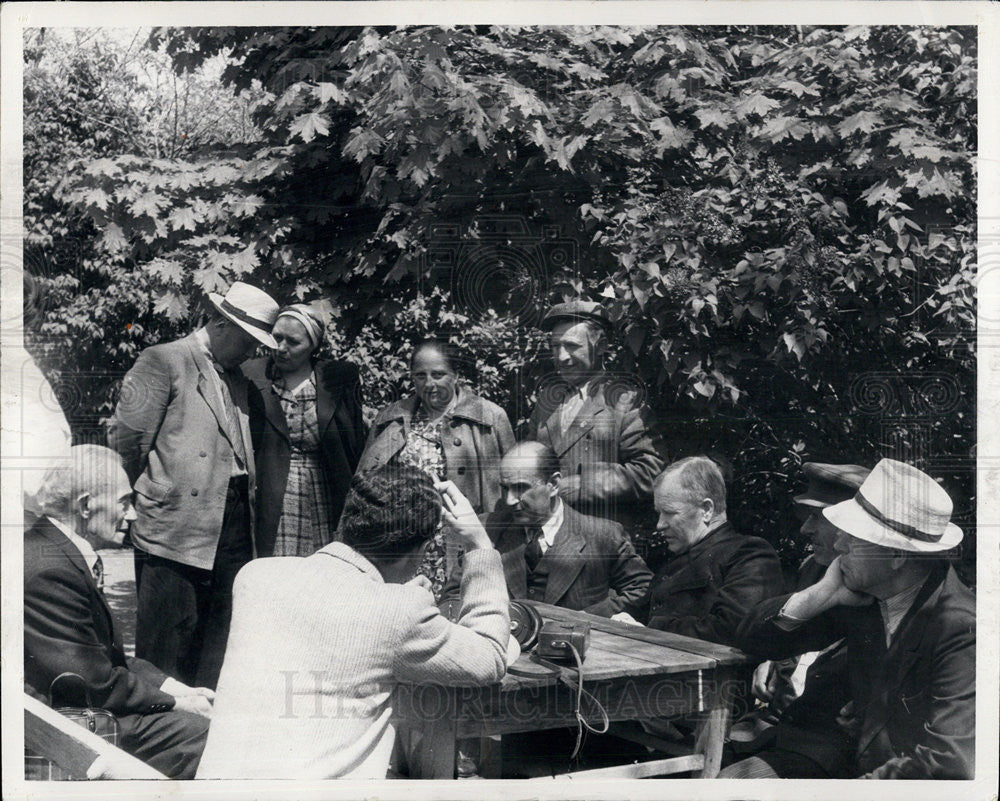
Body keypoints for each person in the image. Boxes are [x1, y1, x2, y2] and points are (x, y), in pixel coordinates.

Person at [195, 464, 510, 779]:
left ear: (347, 520)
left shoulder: (256, 576)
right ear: (419, 551)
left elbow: (336, 612)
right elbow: (492, 655)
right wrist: (480, 546)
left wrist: (392, 600)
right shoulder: (400, 612)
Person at [727, 458, 974, 779]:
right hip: (848, 761)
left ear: (898, 555)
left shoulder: (960, 627)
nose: (839, 544)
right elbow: (752, 641)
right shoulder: (864, 593)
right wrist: (820, 595)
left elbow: (950, 763)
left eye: (854, 538)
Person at [108, 281, 279, 690]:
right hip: (174, 528)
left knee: (217, 648)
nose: (253, 352)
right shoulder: (162, 360)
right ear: (220, 325)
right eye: (248, 340)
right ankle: (155, 745)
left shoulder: (239, 378)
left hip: (234, 525)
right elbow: (126, 442)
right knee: (167, 652)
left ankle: (202, 742)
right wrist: (152, 496)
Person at [24, 445, 211, 779]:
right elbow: (94, 682)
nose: (133, 515)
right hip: (71, 730)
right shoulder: (48, 569)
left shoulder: (58, 552)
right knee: (213, 739)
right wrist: (180, 704)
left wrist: (183, 691)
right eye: (124, 502)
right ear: (85, 506)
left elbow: (112, 661)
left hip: (87, 712)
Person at [357, 337, 515, 597]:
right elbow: (364, 485)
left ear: (456, 375)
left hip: (458, 538)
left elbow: (513, 486)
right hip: (405, 539)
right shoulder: (392, 418)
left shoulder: (490, 417)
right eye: (420, 375)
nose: (429, 384)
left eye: (438, 374)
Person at [730, 461, 870, 752]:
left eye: (819, 517)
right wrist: (773, 656)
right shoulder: (816, 570)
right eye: (806, 516)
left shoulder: (878, 587)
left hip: (822, 745)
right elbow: (753, 633)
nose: (805, 529)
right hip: (771, 725)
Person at [445, 441, 652, 615]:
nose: (509, 500)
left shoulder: (603, 536)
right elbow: (452, 598)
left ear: (553, 484)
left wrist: (588, 620)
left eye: (520, 488)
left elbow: (644, 590)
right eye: (505, 489)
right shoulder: (486, 529)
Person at [614, 456, 783, 647]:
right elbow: (640, 611)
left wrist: (649, 631)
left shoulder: (749, 555)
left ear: (707, 509)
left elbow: (732, 629)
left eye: (669, 512)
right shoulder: (679, 558)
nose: (659, 525)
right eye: (659, 513)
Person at [243, 303, 366, 557]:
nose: (280, 347)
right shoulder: (252, 374)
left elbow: (354, 444)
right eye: (276, 337)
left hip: (325, 491)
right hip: (271, 492)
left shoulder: (339, 378)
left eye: (293, 342)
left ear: (313, 346)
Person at [527, 300, 663, 527]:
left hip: (602, 542)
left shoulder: (624, 401)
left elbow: (650, 472)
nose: (561, 357)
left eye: (572, 346)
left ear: (601, 346)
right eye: (555, 346)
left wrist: (583, 485)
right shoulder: (545, 402)